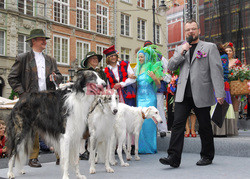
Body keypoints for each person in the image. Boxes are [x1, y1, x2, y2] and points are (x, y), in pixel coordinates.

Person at [159, 19, 225, 167]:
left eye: (193, 29)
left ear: (199, 31)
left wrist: (220, 92)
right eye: (188, 29)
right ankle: (173, 158)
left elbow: (216, 71)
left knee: (204, 126)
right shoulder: (180, 48)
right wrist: (182, 51)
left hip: (202, 92)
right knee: (177, 125)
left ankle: (207, 156)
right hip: (183, 94)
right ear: (185, 32)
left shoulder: (209, 47)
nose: (190, 32)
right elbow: (170, 66)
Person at [8, 29, 62, 167]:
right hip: (31, 99)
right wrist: (23, 94)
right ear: (33, 41)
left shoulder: (51, 59)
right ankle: (33, 157)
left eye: (45, 39)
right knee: (32, 127)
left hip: (49, 98)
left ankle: (60, 155)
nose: (44, 41)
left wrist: (56, 77)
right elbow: (12, 78)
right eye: (41, 39)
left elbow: (60, 77)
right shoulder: (23, 58)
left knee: (55, 126)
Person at [78, 51, 107, 160]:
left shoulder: (101, 73)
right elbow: (80, 86)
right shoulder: (83, 72)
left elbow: (105, 85)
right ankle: (81, 150)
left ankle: (91, 150)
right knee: (84, 125)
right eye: (92, 58)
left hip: (98, 100)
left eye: (96, 58)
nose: (95, 60)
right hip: (85, 100)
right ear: (88, 60)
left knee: (94, 125)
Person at [136, 46, 164, 154]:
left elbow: (159, 85)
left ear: (146, 57)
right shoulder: (138, 68)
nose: (140, 59)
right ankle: (141, 148)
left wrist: (154, 78)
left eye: (142, 57)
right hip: (139, 98)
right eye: (138, 57)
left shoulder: (152, 67)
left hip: (150, 98)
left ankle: (151, 147)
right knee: (140, 123)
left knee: (150, 123)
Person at [143, 41, 170, 137]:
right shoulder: (143, 58)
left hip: (158, 87)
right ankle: (150, 130)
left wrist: (163, 77)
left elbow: (168, 70)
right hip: (148, 88)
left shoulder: (160, 57)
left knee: (159, 108)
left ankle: (162, 129)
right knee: (148, 108)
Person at [211, 44, 236, 136]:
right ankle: (215, 130)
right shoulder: (218, 56)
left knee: (221, 104)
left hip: (221, 83)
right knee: (215, 105)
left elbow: (221, 70)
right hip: (215, 83)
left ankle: (221, 130)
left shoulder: (223, 57)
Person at [223, 42, 241, 134]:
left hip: (235, 86)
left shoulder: (237, 61)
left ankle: (234, 127)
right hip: (225, 86)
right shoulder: (222, 61)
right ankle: (227, 128)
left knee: (235, 106)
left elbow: (241, 72)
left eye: (230, 51)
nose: (228, 52)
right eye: (226, 51)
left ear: (233, 52)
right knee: (226, 106)